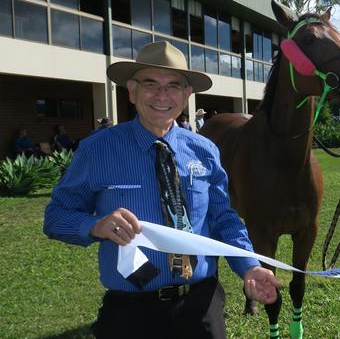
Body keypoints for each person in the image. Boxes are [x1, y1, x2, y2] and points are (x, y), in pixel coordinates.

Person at [43, 41, 279, 339]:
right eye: (150, 83)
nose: (162, 95)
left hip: (200, 304)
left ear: (187, 94)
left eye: (173, 86)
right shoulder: (96, 151)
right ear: (132, 90)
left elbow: (223, 219)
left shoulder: (204, 150)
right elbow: (55, 217)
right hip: (130, 309)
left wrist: (249, 266)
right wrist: (95, 226)